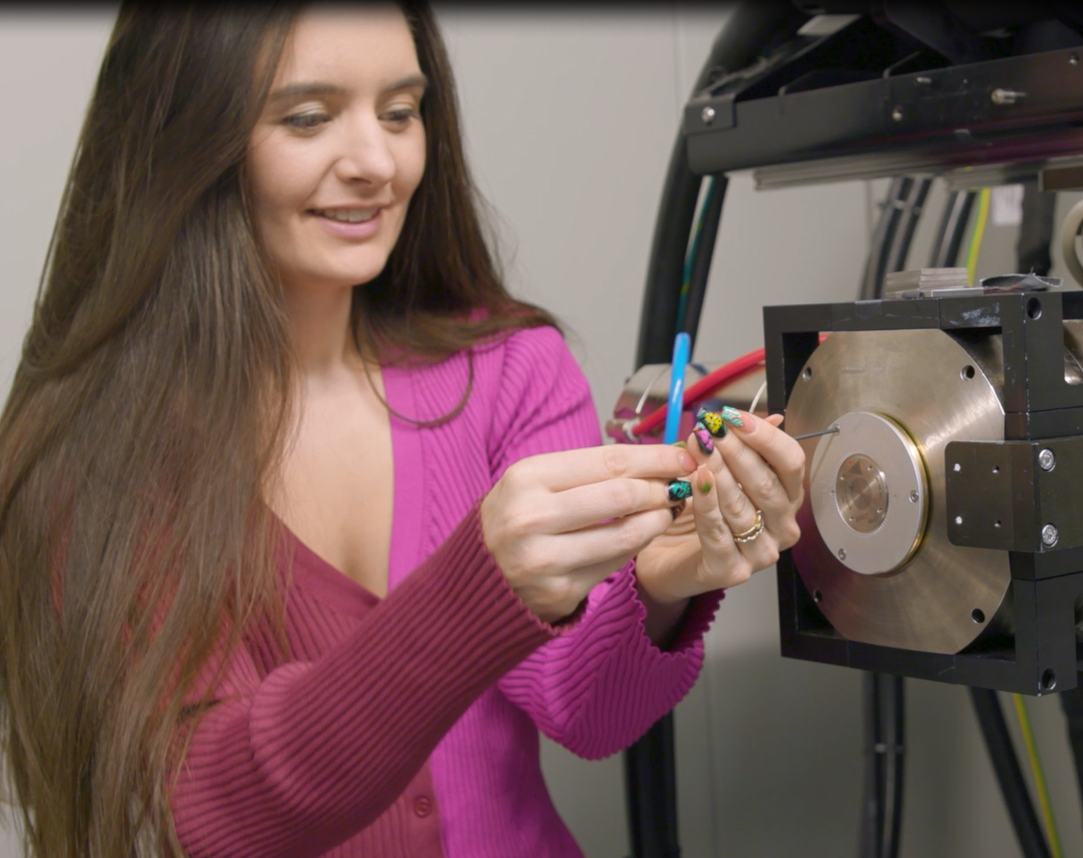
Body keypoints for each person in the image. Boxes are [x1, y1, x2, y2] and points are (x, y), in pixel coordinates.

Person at [0, 3, 804, 857]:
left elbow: (586, 708)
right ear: (185, 137)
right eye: (308, 118)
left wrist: (665, 586)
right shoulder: (100, 459)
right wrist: (480, 589)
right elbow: (218, 808)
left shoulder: (509, 370)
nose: (378, 163)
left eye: (400, 112)